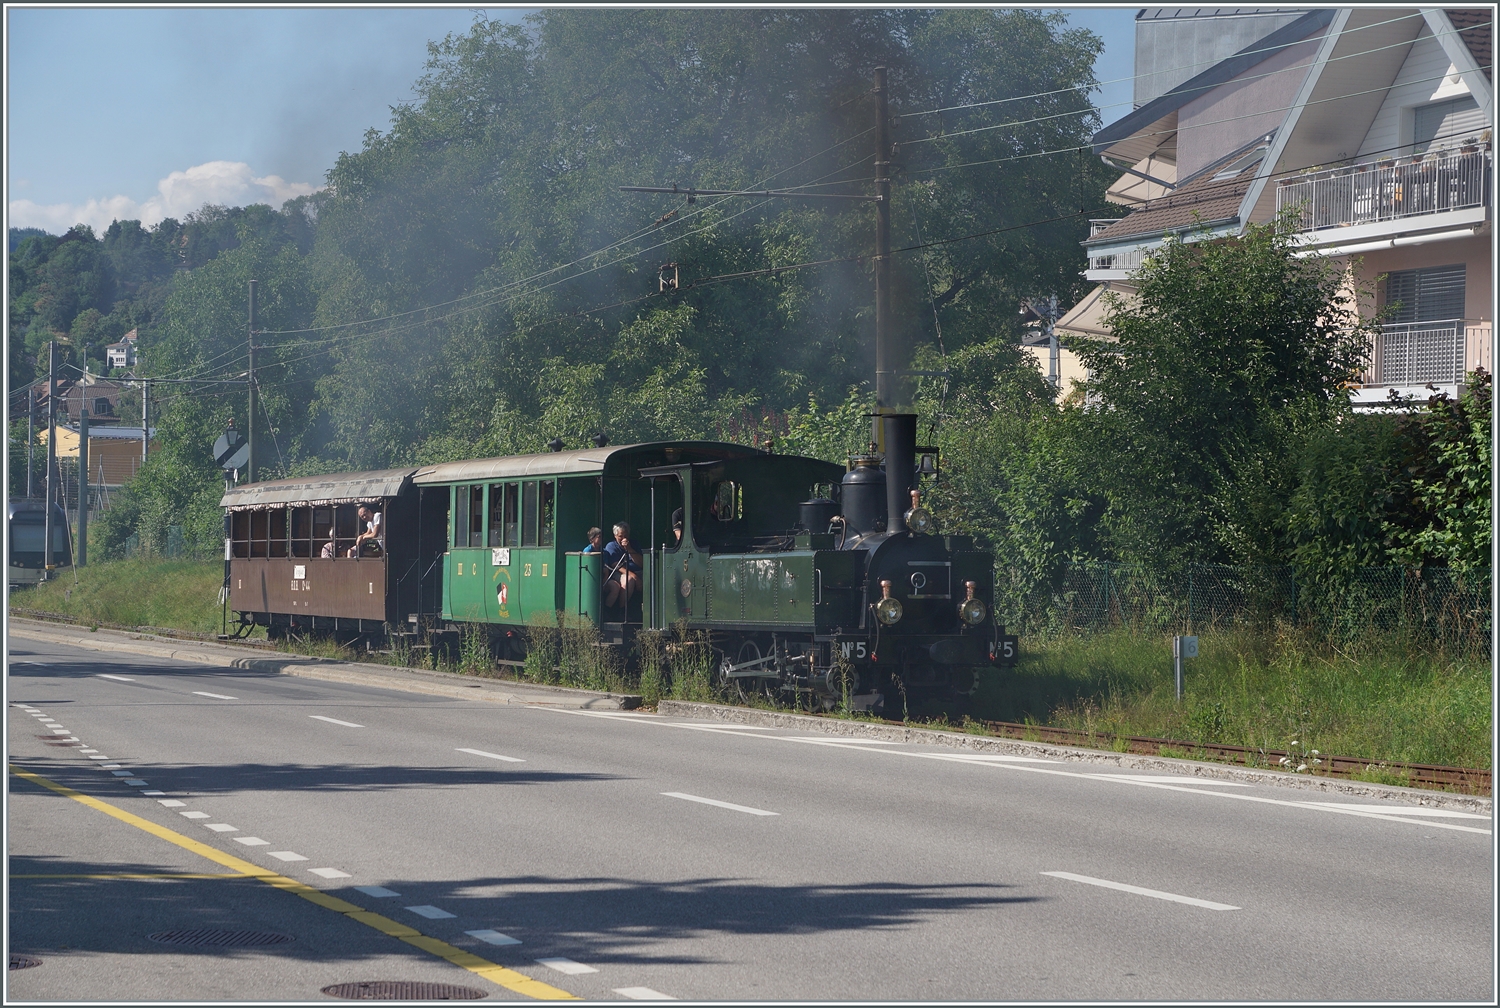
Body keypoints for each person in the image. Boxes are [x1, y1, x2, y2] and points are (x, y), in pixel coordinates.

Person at [601, 521, 642, 608]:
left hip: (638, 571)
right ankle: (622, 610)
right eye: (620, 536)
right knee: (629, 580)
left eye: (626, 536)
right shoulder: (611, 546)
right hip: (619, 572)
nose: (624, 539)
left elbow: (642, 563)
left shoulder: (634, 544)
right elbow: (616, 566)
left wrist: (629, 549)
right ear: (615, 536)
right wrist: (635, 577)